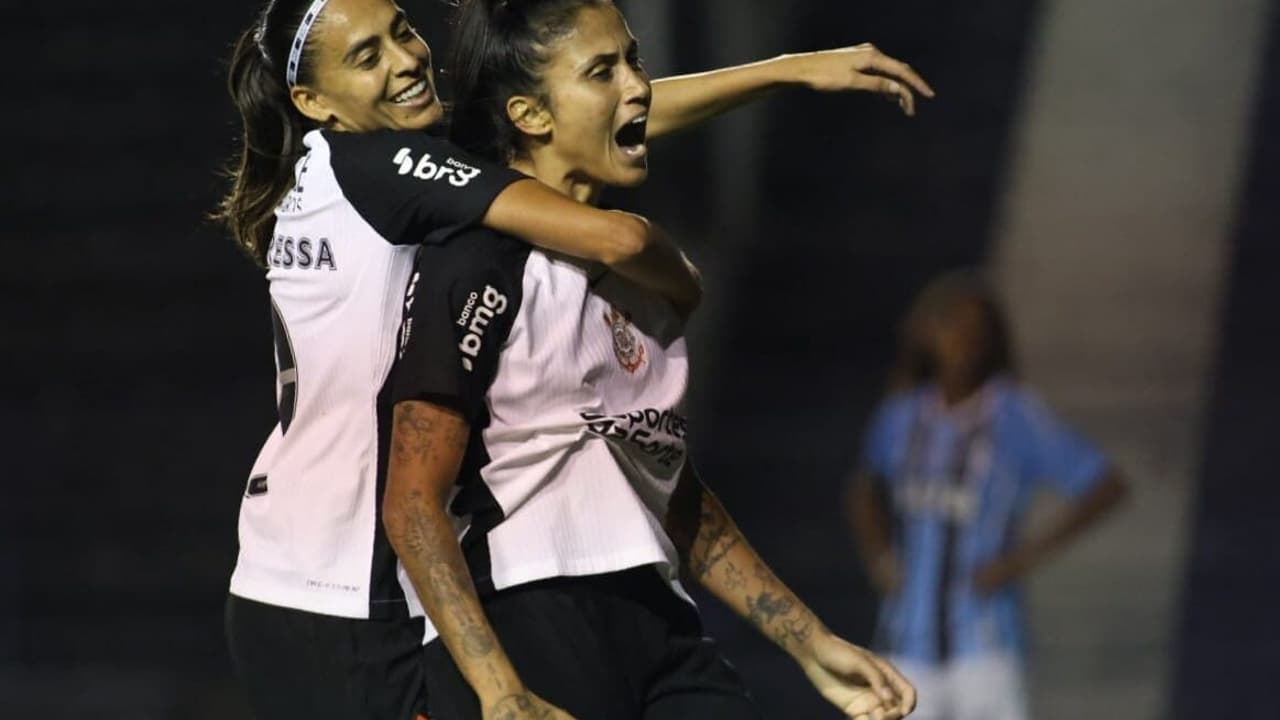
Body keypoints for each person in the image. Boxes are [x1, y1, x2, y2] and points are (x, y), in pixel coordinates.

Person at [215, 0, 932, 717]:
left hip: (368, 571)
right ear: (313, 104)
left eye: (402, 29)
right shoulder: (383, 171)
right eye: (367, 56)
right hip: (331, 585)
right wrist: (674, 276)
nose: (405, 58)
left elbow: (589, 112)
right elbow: (611, 223)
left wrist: (786, 71)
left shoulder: (402, 166)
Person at [847, 271, 1129, 720]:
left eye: (975, 329)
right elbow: (862, 489)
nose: (963, 340)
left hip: (986, 646)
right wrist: (879, 556)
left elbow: (1105, 485)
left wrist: (1022, 558)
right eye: (951, 326)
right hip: (904, 643)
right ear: (927, 335)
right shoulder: (899, 417)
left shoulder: (1014, 415)